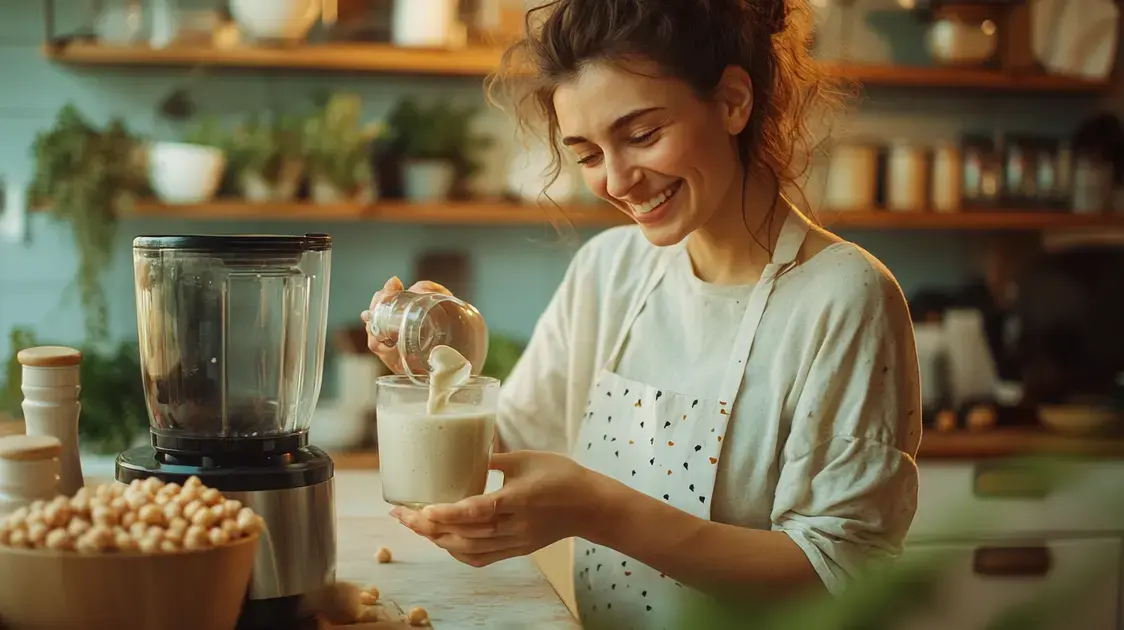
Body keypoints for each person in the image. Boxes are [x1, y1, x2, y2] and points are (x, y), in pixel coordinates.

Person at [362, 0, 922, 625]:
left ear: (734, 101)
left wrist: (597, 510)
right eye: (589, 154)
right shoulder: (609, 271)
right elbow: (502, 450)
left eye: (642, 135)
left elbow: (839, 576)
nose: (619, 180)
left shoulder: (842, 297)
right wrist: (423, 367)